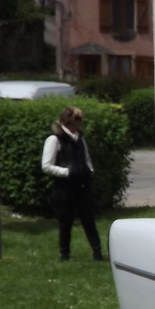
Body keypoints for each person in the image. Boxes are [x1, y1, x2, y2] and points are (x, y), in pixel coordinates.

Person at [42, 105, 103, 261]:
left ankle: (97, 253)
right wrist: (66, 172)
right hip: (64, 187)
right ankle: (64, 254)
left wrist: (89, 170)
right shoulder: (55, 139)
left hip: (82, 184)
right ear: (69, 121)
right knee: (65, 221)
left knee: (88, 219)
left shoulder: (80, 138)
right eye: (78, 119)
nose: (80, 122)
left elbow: (86, 158)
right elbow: (46, 165)